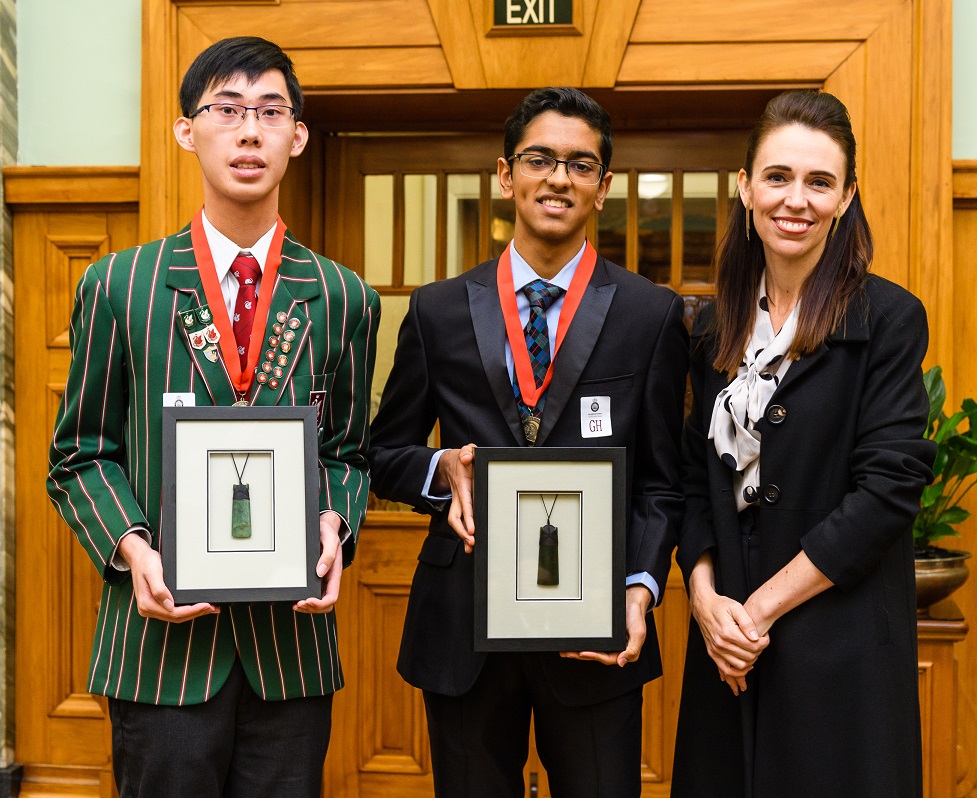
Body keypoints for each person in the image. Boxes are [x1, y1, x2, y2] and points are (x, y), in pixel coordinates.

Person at [47, 36, 379, 798]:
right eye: (226, 109)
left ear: (297, 136)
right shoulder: (119, 285)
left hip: (288, 653)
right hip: (159, 649)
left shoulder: (342, 297)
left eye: (270, 111)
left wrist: (334, 523)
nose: (249, 131)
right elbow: (79, 452)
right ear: (186, 130)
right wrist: (134, 551)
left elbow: (349, 452)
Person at [368, 87, 688, 797]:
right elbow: (382, 456)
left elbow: (663, 480)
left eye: (580, 164)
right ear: (505, 175)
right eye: (539, 159)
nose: (558, 177)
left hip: (595, 618)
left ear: (603, 187)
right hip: (463, 625)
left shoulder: (650, 313)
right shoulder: (438, 309)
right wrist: (439, 467)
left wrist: (638, 587)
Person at [670, 89, 935, 798]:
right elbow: (695, 485)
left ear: (846, 198)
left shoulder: (886, 318)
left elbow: (887, 491)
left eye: (820, 182)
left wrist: (754, 614)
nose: (797, 200)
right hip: (726, 650)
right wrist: (705, 603)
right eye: (778, 176)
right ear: (744, 187)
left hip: (837, 647)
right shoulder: (710, 328)